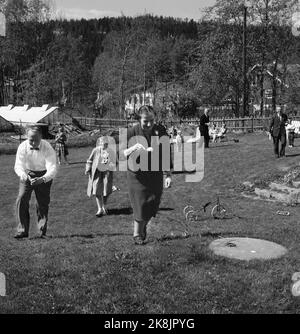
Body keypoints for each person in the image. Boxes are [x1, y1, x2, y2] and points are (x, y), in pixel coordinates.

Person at [122, 105, 172, 245]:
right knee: (141, 204)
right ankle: (137, 234)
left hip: (155, 174)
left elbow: (166, 152)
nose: (149, 124)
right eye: (145, 121)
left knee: (153, 203)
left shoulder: (160, 130)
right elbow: (121, 154)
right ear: (139, 120)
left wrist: (167, 174)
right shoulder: (131, 132)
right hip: (137, 176)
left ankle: (143, 227)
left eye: (151, 120)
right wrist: (132, 148)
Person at [14, 125, 57, 239]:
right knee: (21, 199)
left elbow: (52, 168)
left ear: (41, 137)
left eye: (36, 140)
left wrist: (42, 179)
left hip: (44, 176)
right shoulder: (22, 146)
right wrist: (25, 176)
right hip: (27, 175)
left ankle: (42, 232)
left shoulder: (47, 147)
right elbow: (18, 165)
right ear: (26, 137)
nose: (33, 143)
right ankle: (22, 230)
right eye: (31, 140)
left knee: (42, 203)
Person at [85, 136, 117, 217]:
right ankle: (99, 209)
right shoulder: (95, 150)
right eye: (102, 143)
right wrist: (88, 169)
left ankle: (104, 206)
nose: (104, 145)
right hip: (97, 173)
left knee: (106, 191)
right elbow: (89, 160)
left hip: (107, 173)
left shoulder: (111, 151)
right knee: (97, 191)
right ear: (99, 143)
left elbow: (115, 162)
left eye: (106, 144)